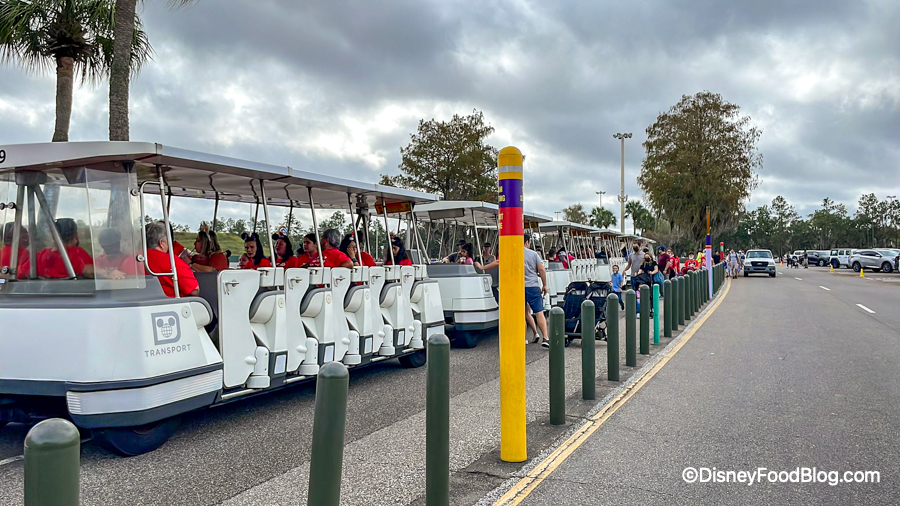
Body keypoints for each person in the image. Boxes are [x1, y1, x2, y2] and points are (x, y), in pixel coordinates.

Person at [476, 234, 550, 346]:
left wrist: (482, 267)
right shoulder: (534, 254)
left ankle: (523, 339)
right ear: (527, 242)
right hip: (533, 287)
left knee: (522, 314)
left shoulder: (511, 252)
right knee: (539, 312)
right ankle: (545, 338)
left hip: (518, 287)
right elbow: (541, 269)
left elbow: (498, 262)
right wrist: (544, 285)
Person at [35, 218, 124, 279]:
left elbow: (26, 272)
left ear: (53, 236)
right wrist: (109, 273)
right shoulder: (76, 253)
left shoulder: (41, 256)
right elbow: (88, 271)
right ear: (75, 236)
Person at [145, 221, 199, 297]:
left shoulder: (131, 260)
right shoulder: (172, 261)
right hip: (169, 302)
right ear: (161, 243)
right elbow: (194, 290)